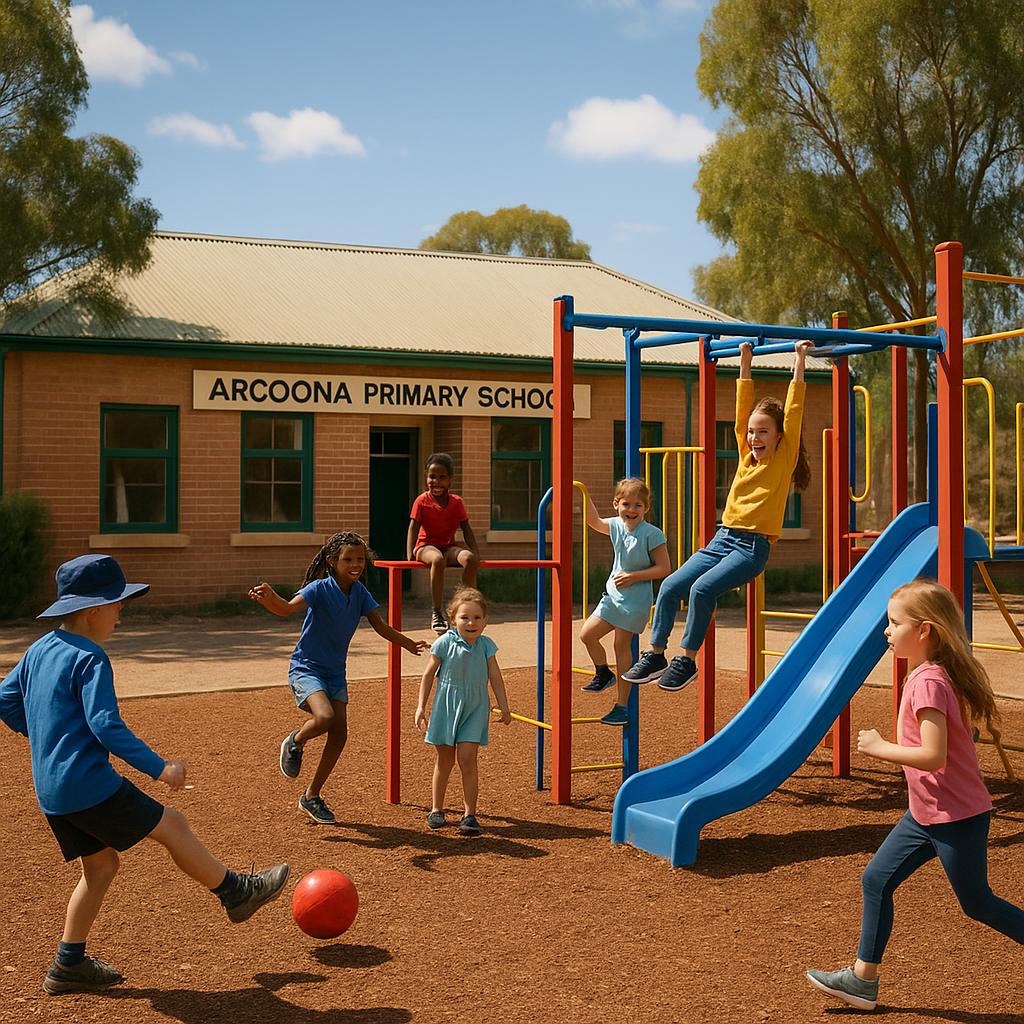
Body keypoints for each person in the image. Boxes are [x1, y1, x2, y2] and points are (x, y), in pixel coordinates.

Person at [0, 554, 289, 996]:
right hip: (87, 786)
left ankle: (68, 965)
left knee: (100, 868)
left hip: (52, 791)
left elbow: (5, 699)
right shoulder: (91, 658)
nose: (121, 612)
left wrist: (40, 733)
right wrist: (160, 766)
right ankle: (236, 892)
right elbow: (105, 725)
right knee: (173, 824)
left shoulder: (40, 648)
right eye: (118, 604)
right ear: (92, 609)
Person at [806, 579, 1024, 1011]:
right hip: (925, 813)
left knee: (978, 903)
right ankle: (862, 981)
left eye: (894, 622)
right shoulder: (937, 674)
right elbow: (957, 737)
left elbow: (933, 755)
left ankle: (862, 981)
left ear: (924, 630)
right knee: (876, 879)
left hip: (955, 816)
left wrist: (880, 747)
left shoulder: (928, 682)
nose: (886, 630)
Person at [622, 340, 813, 693]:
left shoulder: (781, 459)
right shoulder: (746, 453)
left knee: (701, 589)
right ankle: (657, 653)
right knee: (669, 586)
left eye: (763, 431)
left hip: (750, 548)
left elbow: (795, 407)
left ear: (779, 435)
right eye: (752, 432)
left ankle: (687, 660)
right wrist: (744, 360)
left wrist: (799, 360)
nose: (754, 437)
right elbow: (742, 410)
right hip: (722, 538)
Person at [250, 531, 428, 824]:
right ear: (332, 561)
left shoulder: (359, 593)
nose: (356, 564)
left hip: (335, 672)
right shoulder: (318, 588)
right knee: (324, 718)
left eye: (361, 559)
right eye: (348, 559)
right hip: (306, 667)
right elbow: (286, 609)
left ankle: (311, 796)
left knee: (339, 732)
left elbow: (380, 626)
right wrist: (270, 599)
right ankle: (295, 741)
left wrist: (407, 643)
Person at [414, 587, 511, 835]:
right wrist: (421, 707)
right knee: (444, 760)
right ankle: (436, 809)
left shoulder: (486, 646)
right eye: (464, 617)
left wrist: (504, 706)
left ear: (485, 621)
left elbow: (496, 677)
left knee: (468, 758)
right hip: (446, 706)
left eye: (477, 617)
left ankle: (469, 814)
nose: (471, 622)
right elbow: (427, 676)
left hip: (475, 707)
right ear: (453, 619)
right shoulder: (445, 642)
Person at [580, 478, 670, 726]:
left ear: (646, 509)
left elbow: (664, 568)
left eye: (637, 506)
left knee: (621, 646)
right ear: (616, 504)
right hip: (613, 596)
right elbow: (593, 522)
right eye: (626, 504)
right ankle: (603, 672)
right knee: (587, 634)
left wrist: (633, 576)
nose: (631, 510)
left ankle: (622, 705)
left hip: (635, 599)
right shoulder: (617, 526)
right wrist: (583, 492)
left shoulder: (652, 534)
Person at [408, 453, 480, 635]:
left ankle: (465, 606)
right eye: (432, 476)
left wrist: (476, 552)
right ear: (426, 477)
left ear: (450, 480)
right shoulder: (422, 501)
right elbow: (413, 528)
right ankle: (436, 612)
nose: (436, 481)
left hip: (447, 547)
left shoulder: (456, 502)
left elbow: (467, 528)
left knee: (469, 559)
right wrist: (409, 554)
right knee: (437, 560)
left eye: (442, 477)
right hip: (425, 547)